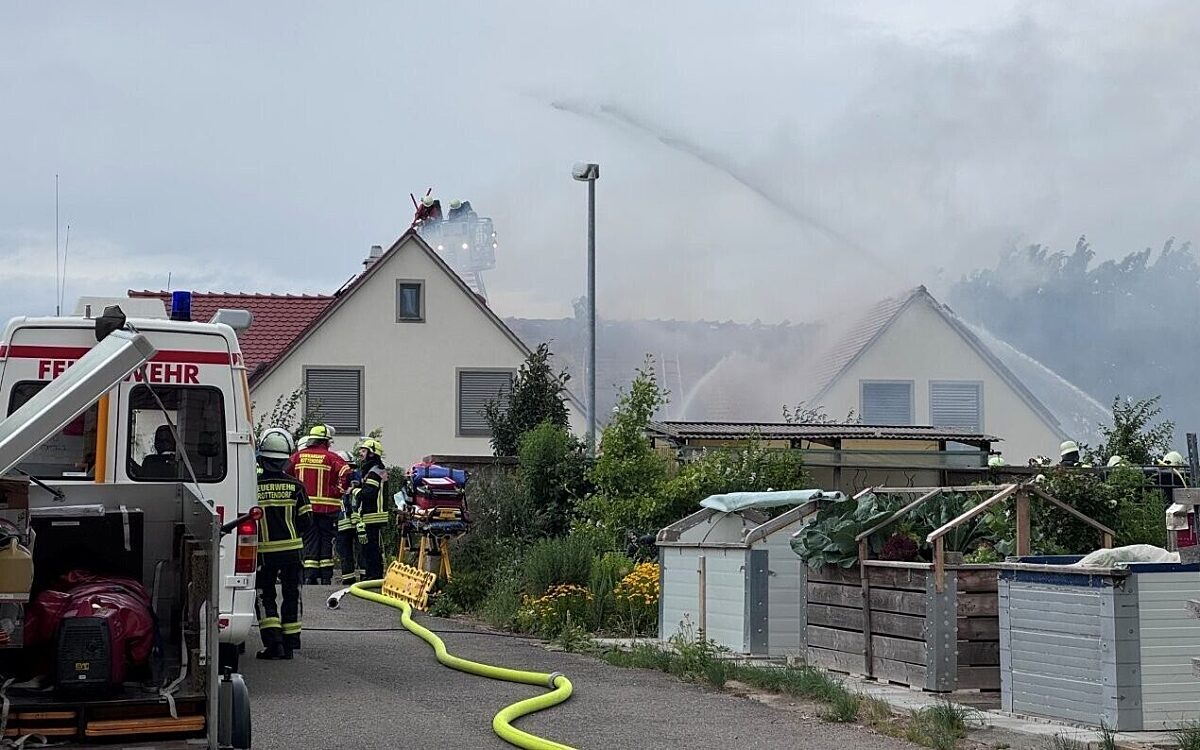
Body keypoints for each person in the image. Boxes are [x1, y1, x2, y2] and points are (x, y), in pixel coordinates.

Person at [254, 428, 312, 660]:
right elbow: (306, 521)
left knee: (263, 594)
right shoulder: (296, 486)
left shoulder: (253, 486)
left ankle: (273, 643)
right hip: (292, 551)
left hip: (264, 553)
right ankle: (290, 643)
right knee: (291, 594)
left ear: (262, 457)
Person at [286, 424, 351, 585]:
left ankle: (309, 575)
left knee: (310, 539)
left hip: (304, 508)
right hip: (328, 508)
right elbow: (346, 471)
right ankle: (326, 576)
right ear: (325, 441)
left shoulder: (297, 456)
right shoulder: (331, 457)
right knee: (326, 540)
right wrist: (338, 491)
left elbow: (285, 474)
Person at [350, 438, 389, 581]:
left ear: (372, 454)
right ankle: (372, 575)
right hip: (373, 514)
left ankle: (374, 576)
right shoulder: (374, 469)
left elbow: (369, 493)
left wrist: (354, 491)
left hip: (374, 515)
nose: (360, 453)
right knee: (369, 547)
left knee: (371, 548)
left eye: (364, 450)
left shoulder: (374, 472)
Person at [335, 451, 363, 585]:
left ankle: (348, 578)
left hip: (343, 521)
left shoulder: (337, 476)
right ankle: (362, 577)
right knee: (360, 550)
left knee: (345, 551)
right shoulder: (358, 476)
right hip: (357, 521)